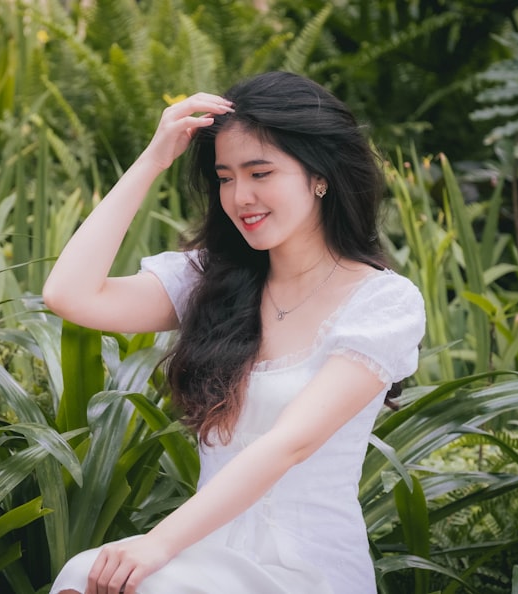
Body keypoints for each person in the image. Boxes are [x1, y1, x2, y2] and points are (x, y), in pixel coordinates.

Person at [42, 71, 425, 594]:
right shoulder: (212, 279)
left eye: (260, 172)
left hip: (303, 571)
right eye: (225, 177)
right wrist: (154, 158)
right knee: (84, 575)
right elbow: (69, 295)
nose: (240, 195)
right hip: (200, 558)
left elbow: (288, 444)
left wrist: (158, 543)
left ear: (320, 175)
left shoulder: (382, 303)